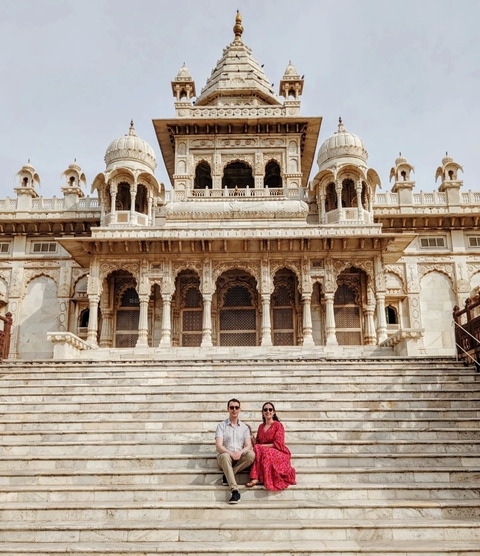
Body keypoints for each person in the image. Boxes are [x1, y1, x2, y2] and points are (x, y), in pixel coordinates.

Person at [246, 402, 296, 491]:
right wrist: (250, 435)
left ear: (273, 412)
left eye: (270, 409)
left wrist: (261, 446)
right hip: (265, 451)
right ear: (262, 412)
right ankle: (258, 477)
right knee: (261, 450)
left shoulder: (278, 425)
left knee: (262, 450)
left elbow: (278, 443)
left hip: (279, 452)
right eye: (265, 410)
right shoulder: (261, 427)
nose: (268, 411)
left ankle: (256, 477)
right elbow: (257, 443)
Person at [215, 398, 255, 504]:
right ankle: (235, 490)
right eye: (232, 407)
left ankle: (228, 474)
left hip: (239, 457)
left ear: (239, 409)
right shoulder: (221, 426)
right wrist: (231, 453)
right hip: (225, 458)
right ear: (228, 409)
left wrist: (239, 452)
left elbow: (248, 445)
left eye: (236, 407)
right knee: (224, 456)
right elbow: (218, 446)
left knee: (251, 454)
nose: (234, 410)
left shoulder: (244, 428)